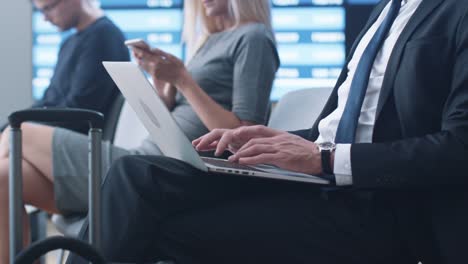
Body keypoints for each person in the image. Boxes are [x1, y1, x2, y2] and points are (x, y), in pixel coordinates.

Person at [68, 0, 468, 263]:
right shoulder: (384, 12)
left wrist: (323, 158)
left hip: (381, 203)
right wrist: (274, 138)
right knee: (135, 174)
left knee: (154, 229)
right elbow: (338, 124)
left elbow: (459, 148)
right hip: (323, 177)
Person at [0, 0, 279, 261]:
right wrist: (162, 82)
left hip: (165, 169)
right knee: (3, 178)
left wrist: (183, 80)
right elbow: (179, 111)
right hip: (146, 156)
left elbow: (244, 135)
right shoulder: (209, 41)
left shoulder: (253, 37)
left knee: (20, 130)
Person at [0, 0, 129, 135]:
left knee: (16, 134)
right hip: (61, 133)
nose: (45, 18)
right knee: (11, 133)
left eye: (48, 8)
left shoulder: (104, 36)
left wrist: (15, 129)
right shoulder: (69, 42)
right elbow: (48, 102)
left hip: (85, 139)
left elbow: (80, 113)